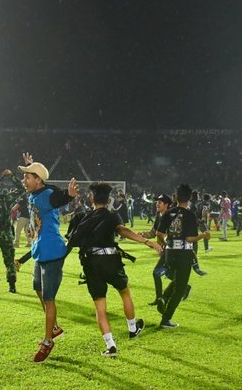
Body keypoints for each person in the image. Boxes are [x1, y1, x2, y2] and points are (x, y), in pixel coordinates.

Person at [67, 182, 161, 357]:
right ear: (109, 199)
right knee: (124, 292)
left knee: (100, 305)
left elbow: (71, 242)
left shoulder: (82, 218)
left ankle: (111, 346)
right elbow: (123, 230)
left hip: (91, 263)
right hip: (110, 260)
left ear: (91, 199)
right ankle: (133, 328)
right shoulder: (112, 216)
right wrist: (148, 242)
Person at [19, 152, 78, 363]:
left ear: (38, 180)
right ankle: (53, 327)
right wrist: (30, 166)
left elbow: (57, 195)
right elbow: (40, 186)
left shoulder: (48, 194)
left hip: (52, 252)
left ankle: (48, 341)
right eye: (25, 176)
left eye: (27, 177)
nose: (24, 180)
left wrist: (69, 196)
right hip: (39, 251)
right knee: (37, 288)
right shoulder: (33, 193)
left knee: (48, 298)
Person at [156, 183, 210, 328]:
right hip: (184, 254)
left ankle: (163, 298)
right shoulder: (190, 215)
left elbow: (159, 234)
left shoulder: (168, 213)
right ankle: (166, 319)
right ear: (190, 197)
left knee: (176, 281)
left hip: (170, 253)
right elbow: (190, 238)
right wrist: (203, 236)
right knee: (180, 288)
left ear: (176, 197)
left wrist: (166, 243)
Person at [138, 193, 173, 305]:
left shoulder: (171, 216)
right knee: (170, 274)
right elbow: (153, 232)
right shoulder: (159, 215)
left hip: (170, 250)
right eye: (157, 202)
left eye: (160, 202)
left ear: (166, 204)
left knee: (156, 273)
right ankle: (185, 287)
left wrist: (164, 241)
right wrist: (142, 234)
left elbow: (173, 234)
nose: (157, 204)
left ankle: (159, 299)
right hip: (163, 250)